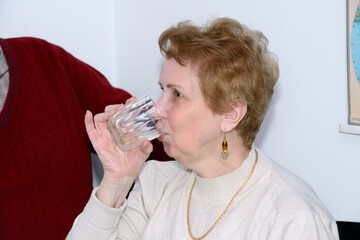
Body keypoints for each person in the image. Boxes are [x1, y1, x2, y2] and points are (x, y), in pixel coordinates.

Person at [67, 18, 339, 239]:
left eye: (177, 95)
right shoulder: (154, 183)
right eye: (162, 90)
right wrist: (116, 182)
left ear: (231, 114)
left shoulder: (294, 220)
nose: (156, 109)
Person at [0, 37, 169, 240]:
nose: (162, 107)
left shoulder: (46, 61)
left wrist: (211, 142)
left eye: (176, 94)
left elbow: (154, 131)